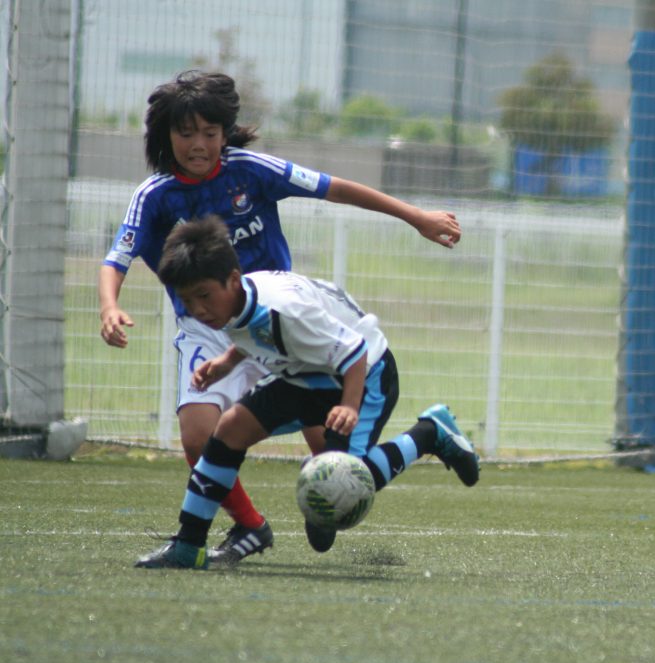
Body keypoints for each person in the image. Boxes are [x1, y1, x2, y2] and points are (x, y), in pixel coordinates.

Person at [99, 71, 462, 564]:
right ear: (165, 135)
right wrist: (110, 305)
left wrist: (415, 216)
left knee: (335, 472)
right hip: (211, 331)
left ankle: (424, 437)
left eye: (209, 132)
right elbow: (116, 258)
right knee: (202, 435)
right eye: (186, 133)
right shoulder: (155, 195)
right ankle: (245, 529)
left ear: (225, 132)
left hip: (280, 328)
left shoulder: (251, 171)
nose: (198, 144)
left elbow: (337, 189)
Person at [135, 216, 479, 569]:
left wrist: (348, 406)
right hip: (305, 373)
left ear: (233, 281)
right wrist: (226, 362)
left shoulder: (285, 312)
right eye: (187, 301)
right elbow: (252, 332)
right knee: (229, 430)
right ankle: (189, 544)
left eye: (203, 296)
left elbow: (354, 350)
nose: (198, 310)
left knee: (344, 485)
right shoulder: (235, 302)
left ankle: (429, 433)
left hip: (364, 372)